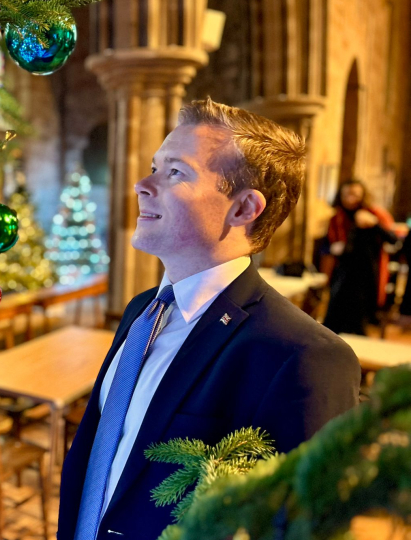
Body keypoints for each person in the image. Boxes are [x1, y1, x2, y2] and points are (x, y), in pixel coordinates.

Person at [58, 99, 361, 540]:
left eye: (176, 172)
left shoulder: (302, 357)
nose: (143, 184)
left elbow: (303, 527)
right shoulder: (142, 311)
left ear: (243, 209)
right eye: (154, 167)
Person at [322, 179, 396, 335]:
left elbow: (393, 239)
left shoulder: (374, 214)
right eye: (346, 194)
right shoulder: (337, 218)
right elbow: (326, 246)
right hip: (342, 274)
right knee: (332, 321)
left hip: (366, 274)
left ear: (362, 195)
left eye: (354, 194)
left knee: (358, 323)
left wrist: (374, 223)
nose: (350, 198)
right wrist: (333, 248)